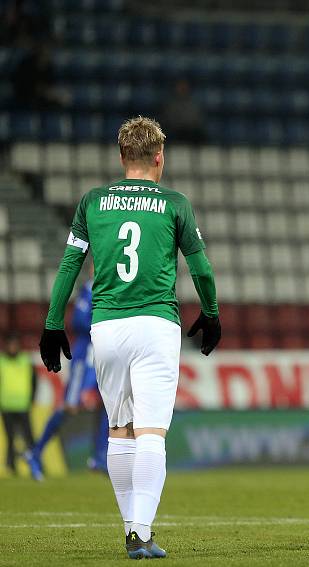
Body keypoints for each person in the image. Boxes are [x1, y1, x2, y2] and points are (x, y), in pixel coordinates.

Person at [39, 116, 221, 559]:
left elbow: (68, 266)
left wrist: (51, 323)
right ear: (160, 157)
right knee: (151, 432)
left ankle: (134, 530)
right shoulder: (175, 202)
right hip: (156, 323)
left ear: (122, 157)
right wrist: (211, 312)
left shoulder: (93, 201)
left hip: (106, 327)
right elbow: (200, 267)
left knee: (119, 430)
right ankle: (139, 530)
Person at [26, 273, 110, 477]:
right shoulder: (90, 289)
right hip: (85, 359)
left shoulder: (111, 287)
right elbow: (78, 321)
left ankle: (100, 458)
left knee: (109, 405)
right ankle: (35, 452)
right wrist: (103, 324)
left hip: (104, 355)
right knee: (70, 407)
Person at [0, 333, 41, 479]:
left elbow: (34, 381)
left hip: (23, 406)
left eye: (14, 344)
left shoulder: (26, 361)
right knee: (10, 438)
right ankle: (11, 466)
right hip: (6, 406)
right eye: (10, 345)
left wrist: (32, 399)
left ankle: (36, 465)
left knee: (29, 438)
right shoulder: (2, 361)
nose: (12, 347)